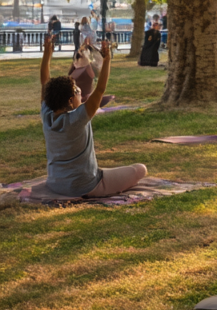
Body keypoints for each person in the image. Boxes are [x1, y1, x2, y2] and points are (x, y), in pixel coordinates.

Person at [38, 35, 148, 198]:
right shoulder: (77, 119)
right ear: (70, 101)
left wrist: (47, 53)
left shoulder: (46, 113)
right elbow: (100, 89)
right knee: (140, 169)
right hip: (85, 186)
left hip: (55, 184)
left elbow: (44, 81)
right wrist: (107, 59)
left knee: (108, 171)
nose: (80, 91)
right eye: (76, 91)